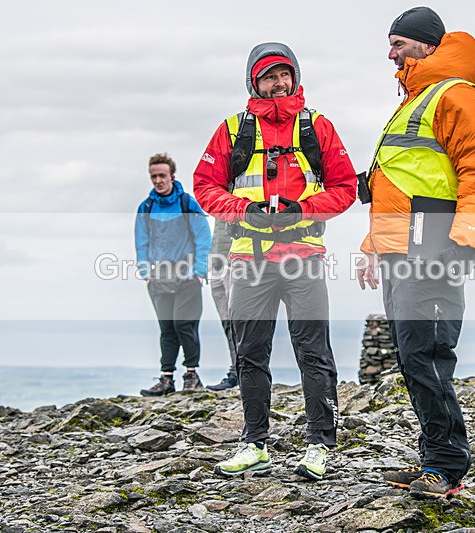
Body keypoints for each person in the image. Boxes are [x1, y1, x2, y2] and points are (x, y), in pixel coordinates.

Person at [193, 42, 356, 481]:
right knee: (249, 352)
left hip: (304, 258)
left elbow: (345, 186)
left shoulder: (317, 126)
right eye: (268, 76)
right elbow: (204, 184)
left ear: (295, 77)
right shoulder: (233, 129)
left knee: (313, 352)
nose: (278, 83)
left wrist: (304, 209)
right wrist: (242, 211)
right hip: (249, 259)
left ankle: (320, 445)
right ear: (254, 83)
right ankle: (254, 443)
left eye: (284, 74)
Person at [356, 7, 475, 499]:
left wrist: (463, 244)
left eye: (398, 43)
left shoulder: (454, 93)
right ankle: (433, 456)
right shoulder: (414, 99)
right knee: (413, 357)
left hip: (435, 250)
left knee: (428, 356)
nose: (390, 53)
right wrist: (372, 247)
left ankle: (446, 465)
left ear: (426, 45)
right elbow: (396, 185)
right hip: (401, 250)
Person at [135, 152, 212, 396]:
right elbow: (141, 242)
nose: (158, 180)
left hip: (187, 275)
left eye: (162, 175)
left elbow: (203, 237)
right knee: (167, 327)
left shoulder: (187, 203)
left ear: (172, 176)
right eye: (154, 176)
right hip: (159, 277)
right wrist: (146, 273)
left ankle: (192, 375)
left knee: (184, 324)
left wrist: (198, 271)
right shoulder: (146, 207)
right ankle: (166, 379)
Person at [205, 218, 239, 391]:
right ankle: (235, 371)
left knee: (238, 323)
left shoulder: (237, 200)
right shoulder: (219, 205)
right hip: (217, 265)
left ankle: (243, 371)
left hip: (234, 263)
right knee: (228, 324)